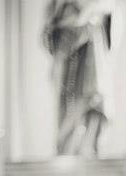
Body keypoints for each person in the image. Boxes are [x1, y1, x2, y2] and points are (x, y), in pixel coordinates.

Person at [42, 0, 113, 157]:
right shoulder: (59, 7)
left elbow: (108, 14)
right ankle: (68, 152)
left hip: (91, 69)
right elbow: (50, 36)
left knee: (91, 109)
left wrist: (90, 16)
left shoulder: (97, 9)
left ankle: (90, 151)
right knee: (69, 118)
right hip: (68, 74)